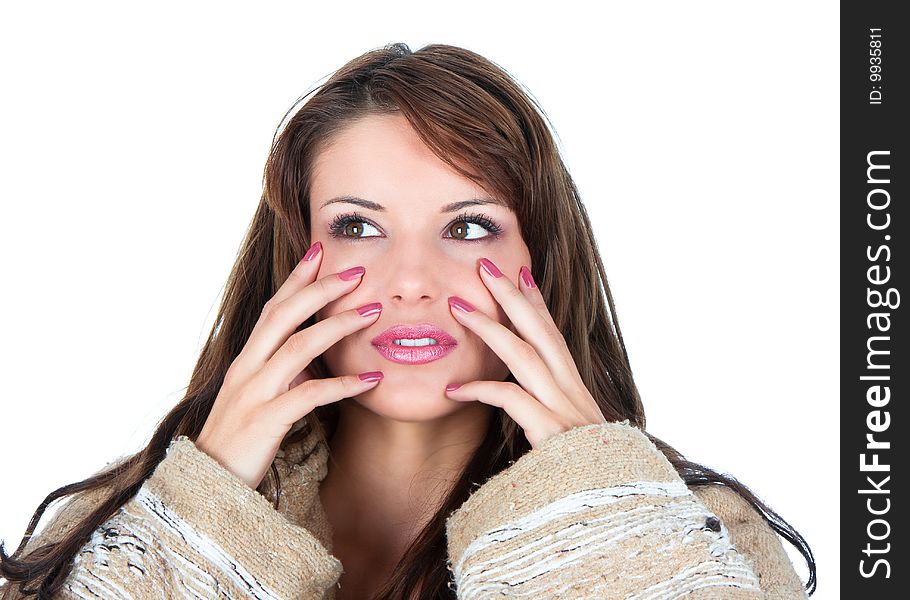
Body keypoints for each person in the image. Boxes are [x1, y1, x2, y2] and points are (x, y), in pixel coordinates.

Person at [0, 42, 815, 599]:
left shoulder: (700, 532)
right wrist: (198, 522)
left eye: (467, 227)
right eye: (357, 226)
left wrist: (592, 519)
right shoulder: (122, 527)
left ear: (540, 257)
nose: (412, 281)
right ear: (294, 258)